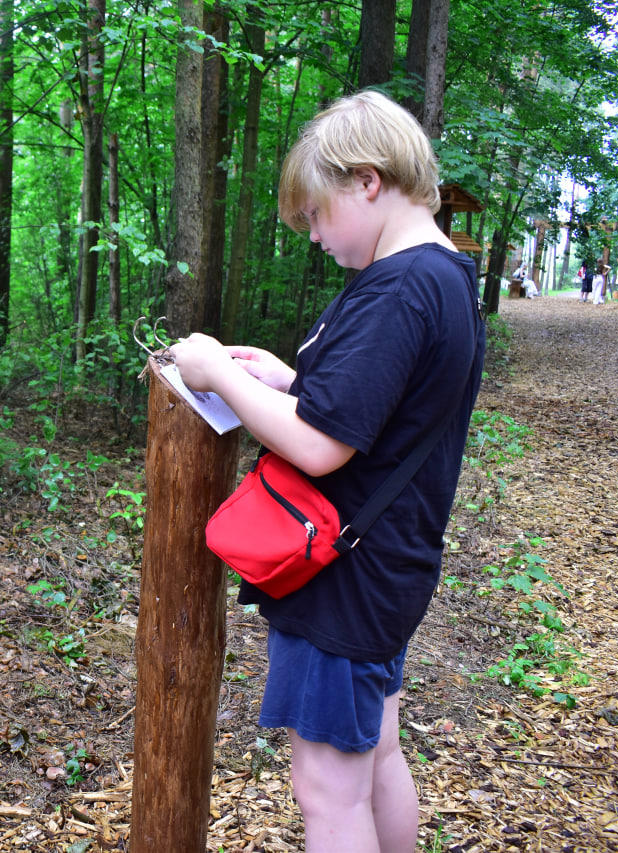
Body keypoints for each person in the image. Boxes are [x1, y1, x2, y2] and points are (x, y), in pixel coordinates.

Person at [170, 90, 485, 853]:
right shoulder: (444, 276)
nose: (313, 235)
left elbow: (319, 446)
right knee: (377, 756)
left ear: (368, 181)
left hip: (346, 576)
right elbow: (377, 408)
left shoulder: (399, 287)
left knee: (327, 790)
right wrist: (287, 378)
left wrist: (218, 373)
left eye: (317, 213)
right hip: (390, 563)